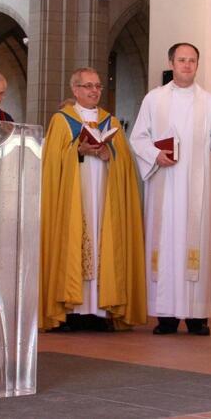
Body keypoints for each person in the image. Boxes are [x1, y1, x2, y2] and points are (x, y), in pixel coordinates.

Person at [129, 43, 211, 336]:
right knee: (166, 244)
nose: (187, 65)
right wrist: (156, 155)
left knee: (194, 246)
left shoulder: (208, 102)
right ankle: (166, 316)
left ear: (197, 64)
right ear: (171, 62)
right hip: (164, 186)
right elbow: (138, 137)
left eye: (192, 61)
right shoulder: (154, 99)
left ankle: (196, 316)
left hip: (195, 190)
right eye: (181, 60)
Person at [40, 67, 146, 331]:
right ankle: (71, 311)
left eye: (98, 86)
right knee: (76, 243)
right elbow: (52, 164)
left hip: (104, 194)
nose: (94, 91)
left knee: (103, 244)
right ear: (75, 89)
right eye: (88, 86)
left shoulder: (110, 122)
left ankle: (99, 310)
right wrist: (78, 150)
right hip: (74, 197)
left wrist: (109, 155)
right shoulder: (62, 120)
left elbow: (125, 165)